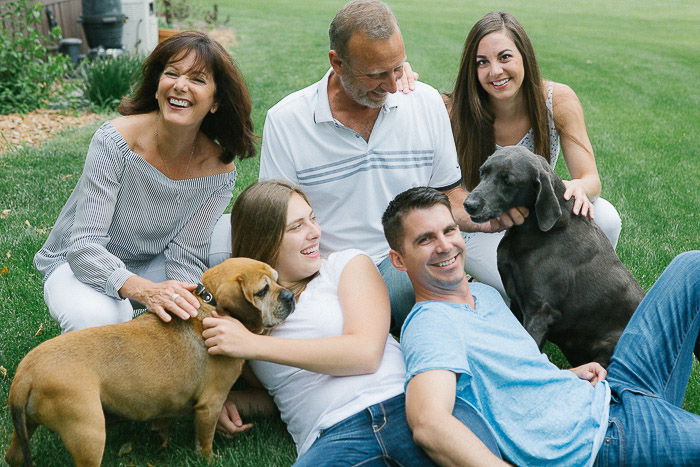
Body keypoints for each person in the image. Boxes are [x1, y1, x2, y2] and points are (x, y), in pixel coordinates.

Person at [233, 0, 522, 335]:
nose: (391, 86)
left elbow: (449, 197)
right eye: (375, 74)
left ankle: (534, 370)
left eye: (397, 68)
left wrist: (486, 219)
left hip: (411, 255)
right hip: (336, 273)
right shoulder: (288, 120)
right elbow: (277, 226)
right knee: (446, 308)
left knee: (488, 299)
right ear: (337, 62)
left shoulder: (424, 103)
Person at [381, 186, 700, 466]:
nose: (445, 245)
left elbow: (512, 376)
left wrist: (565, 376)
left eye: (449, 230)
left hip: (610, 388)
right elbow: (428, 423)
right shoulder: (430, 323)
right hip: (604, 435)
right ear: (398, 259)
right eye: (425, 239)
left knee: (691, 266)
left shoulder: (484, 294)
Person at [201, 180, 500, 465]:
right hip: (333, 435)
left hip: (407, 406)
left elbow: (365, 353)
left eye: (313, 218)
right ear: (263, 238)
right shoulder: (245, 316)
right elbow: (279, 393)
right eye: (297, 227)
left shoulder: (345, 265)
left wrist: (253, 345)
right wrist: (230, 400)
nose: (315, 232)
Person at [34, 31, 256, 333]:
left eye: (197, 79)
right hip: (78, 265)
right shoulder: (115, 141)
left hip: (150, 264)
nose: (180, 85)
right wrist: (143, 291)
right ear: (156, 86)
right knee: (98, 317)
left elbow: (187, 254)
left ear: (216, 102)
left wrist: (188, 306)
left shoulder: (218, 170)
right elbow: (84, 246)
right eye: (172, 73)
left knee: (239, 235)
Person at [448, 11, 621, 294]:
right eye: (482, 62)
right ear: (472, 68)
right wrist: (403, 71)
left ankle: (587, 294)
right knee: (517, 288)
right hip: (482, 223)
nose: (495, 72)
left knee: (607, 218)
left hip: (535, 214)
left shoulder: (557, 100)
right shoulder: (454, 110)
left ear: (524, 57)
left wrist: (577, 186)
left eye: (505, 57)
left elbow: (590, 178)